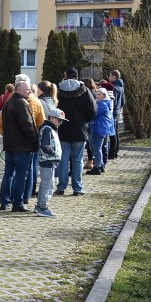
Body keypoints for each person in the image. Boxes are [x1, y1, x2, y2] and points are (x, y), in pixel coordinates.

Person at [56, 67, 97, 196]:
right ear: (77, 76)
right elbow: (93, 110)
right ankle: (77, 188)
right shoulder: (84, 90)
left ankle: (61, 187)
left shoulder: (58, 89)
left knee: (63, 159)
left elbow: (54, 107)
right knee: (78, 160)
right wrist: (84, 120)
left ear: (66, 75)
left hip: (62, 128)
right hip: (80, 129)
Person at [0, 81, 39, 212]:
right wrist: (36, 140)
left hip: (10, 144)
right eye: (27, 89)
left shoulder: (8, 102)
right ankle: (17, 203)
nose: (30, 92)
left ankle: (5, 201)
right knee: (21, 175)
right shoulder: (22, 103)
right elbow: (27, 126)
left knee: (8, 174)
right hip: (22, 146)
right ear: (19, 90)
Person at [36, 109, 66, 217]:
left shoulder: (50, 129)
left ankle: (40, 205)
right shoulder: (48, 129)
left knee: (46, 183)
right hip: (48, 160)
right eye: (59, 120)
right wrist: (54, 154)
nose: (60, 123)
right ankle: (43, 207)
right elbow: (45, 146)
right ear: (52, 118)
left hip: (49, 160)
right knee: (48, 184)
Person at [86, 87, 114, 176]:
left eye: (99, 94)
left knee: (96, 148)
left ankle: (97, 167)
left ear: (104, 95)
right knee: (93, 147)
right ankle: (100, 164)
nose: (97, 96)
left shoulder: (102, 104)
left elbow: (93, 113)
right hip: (99, 128)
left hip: (99, 128)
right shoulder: (103, 103)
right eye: (97, 94)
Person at [108, 70, 125, 159]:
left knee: (112, 133)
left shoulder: (113, 87)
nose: (109, 77)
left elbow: (112, 102)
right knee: (116, 132)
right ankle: (116, 151)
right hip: (117, 112)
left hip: (113, 112)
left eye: (110, 76)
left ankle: (112, 153)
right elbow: (123, 101)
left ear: (114, 77)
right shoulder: (121, 87)